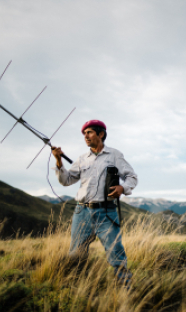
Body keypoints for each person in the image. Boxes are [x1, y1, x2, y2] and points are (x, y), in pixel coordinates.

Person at [52, 120, 138, 284]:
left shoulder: (114, 155)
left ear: (101, 134)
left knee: (115, 251)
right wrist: (58, 161)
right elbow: (66, 180)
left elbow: (132, 177)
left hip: (106, 211)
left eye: (89, 132)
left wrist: (122, 188)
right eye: (84, 133)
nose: (86, 136)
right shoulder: (82, 159)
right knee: (76, 253)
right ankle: (75, 286)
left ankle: (125, 287)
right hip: (82, 211)